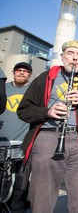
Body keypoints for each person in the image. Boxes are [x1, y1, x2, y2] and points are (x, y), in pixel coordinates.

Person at [17, 40, 78, 212]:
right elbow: (23, 110)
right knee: (41, 199)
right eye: (70, 53)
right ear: (62, 56)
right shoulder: (44, 78)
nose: (74, 58)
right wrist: (47, 112)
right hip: (48, 138)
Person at [0, 62, 33, 212]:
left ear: (30, 75)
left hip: (22, 142)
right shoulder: (3, 88)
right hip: (2, 140)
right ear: (13, 72)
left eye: (25, 71)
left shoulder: (33, 91)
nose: (21, 73)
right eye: (18, 70)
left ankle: (17, 208)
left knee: (21, 180)